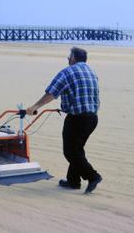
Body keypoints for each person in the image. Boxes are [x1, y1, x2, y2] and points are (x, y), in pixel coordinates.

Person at [26, 47, 102, 194]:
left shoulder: (68, 72)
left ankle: (93, 176)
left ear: (73, 58)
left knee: (70, 152)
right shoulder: (91, 71)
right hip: (92, 118)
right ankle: (73, 181)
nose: (68, 59)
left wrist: (35, 106)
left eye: (69, 56)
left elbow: (52, 93)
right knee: (77, 150)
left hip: (77, 118)